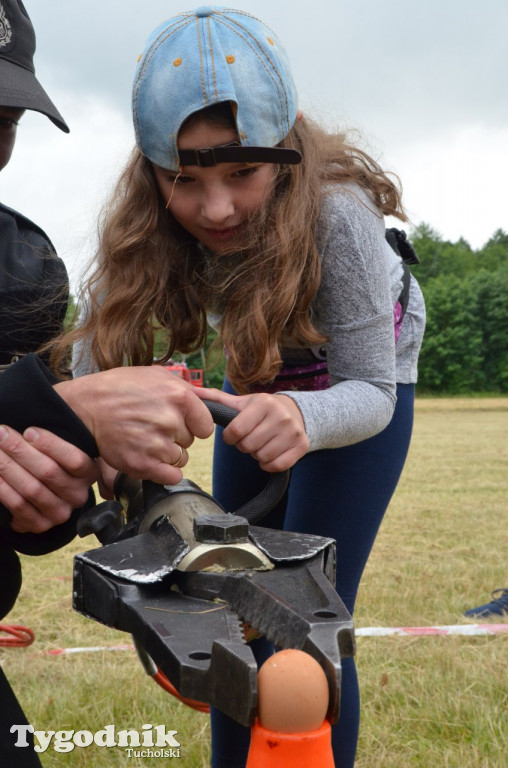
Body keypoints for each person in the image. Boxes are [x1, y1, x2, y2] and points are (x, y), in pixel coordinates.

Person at [59, 7, 426, 767]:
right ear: (154, 169)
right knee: (225, 596)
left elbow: (370, 393)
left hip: (357, 387)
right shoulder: (146, 221)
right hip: (259, 374)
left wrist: (301, 413)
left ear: (285, 150)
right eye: (185, 180)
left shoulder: (338, 217)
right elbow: (92, 364)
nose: (216, 209)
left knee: (304, 619)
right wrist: (106, 444)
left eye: (242, 173)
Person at [0, 2, 214, 764]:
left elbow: (32, 523)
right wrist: (56, 410)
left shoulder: (19, 267)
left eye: (3, 120)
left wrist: (71, 475)